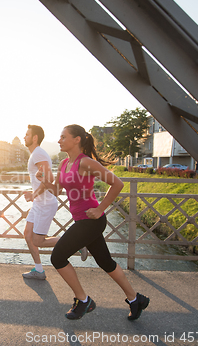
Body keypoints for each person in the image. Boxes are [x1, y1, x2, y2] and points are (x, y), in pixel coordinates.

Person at [37, 124, 149, 320]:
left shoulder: (85, 163)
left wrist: (100, 208)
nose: (59, 140)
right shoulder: (64, 164)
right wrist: (44, 181)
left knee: (58, 257)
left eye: (63, 137)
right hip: (82, 220)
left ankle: (83, 300)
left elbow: (117, 183)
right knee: (106, 262)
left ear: (76, 139)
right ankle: (135, 299)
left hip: (91, 221)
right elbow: (57, 191)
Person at [21, 125, 88, 280]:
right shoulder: (36, 154)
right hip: (39, 203)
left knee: (38, 240)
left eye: (27, 134)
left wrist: (33, 194)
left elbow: (49, 179)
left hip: (45, 203)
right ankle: (39, 270)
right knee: (28, 235)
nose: (24, 137)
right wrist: (34, 196)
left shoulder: (38, 154)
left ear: (35, 137)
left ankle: (76, 244)